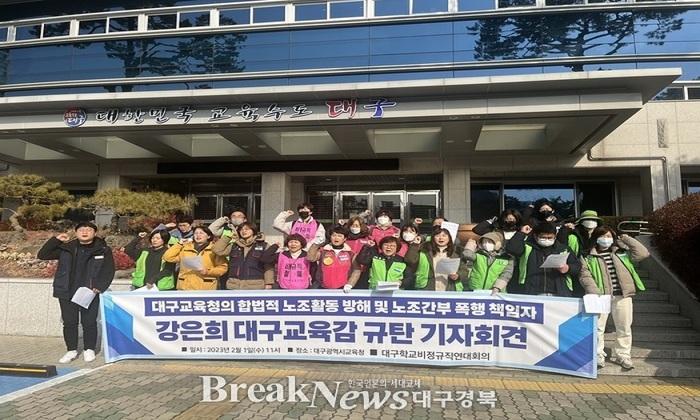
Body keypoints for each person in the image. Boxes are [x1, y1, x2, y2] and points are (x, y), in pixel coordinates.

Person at [37, 221, 115, 363]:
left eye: (88, 229)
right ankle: (71, 350)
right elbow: (43, 255)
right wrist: (56, 240)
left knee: (89, 322)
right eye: (81, 229)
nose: (84, 232)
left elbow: (109, 270)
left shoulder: (103, 249)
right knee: (69, 322)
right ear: (76, 232)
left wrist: (99, 286)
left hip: (89, 291)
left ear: (94, 233)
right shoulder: (66, 248)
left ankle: (89, 349)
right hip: (66, 290)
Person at [578, 227, 650, 370]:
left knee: (624, 326)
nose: (606, 239)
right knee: (598, 327)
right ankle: (598, 354)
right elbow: (584, 275)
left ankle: (623, 355)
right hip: (600, 296)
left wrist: (626, 238)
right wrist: (594, 291)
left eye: (609, 236)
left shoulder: (621, 252)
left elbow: (643, 253)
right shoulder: (587, 255)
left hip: (622, 295)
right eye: (603, 236)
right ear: (596, 238)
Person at [505, 222, 581, 297]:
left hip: (560, 292)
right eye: (543, 237)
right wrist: (521, 233)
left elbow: (577, 266)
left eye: (550, 238)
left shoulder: (563, 249)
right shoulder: (527, 247)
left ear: (555, 236)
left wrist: (568, 268)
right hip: (532, 292)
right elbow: (512, 249)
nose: (547, 240)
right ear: (535, 236)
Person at [212, 222, 277, 290]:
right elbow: (217, 250)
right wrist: (228, 236)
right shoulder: (234, 245)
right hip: (234, 285)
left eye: (247, 229)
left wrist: (269, 283)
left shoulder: (263, 246)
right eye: (241, 229)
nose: (244, 231)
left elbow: (268, 266)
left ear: (253, 231)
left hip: (255, 285)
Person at [163, 226, 228, 290]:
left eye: (201, 233)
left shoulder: (214, 250)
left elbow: (223, 268)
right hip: (185, 286)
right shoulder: (186, 248)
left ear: (208, 236)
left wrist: (208, 271)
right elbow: (168, 257)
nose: (198, 235)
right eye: (196, 233)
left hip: (205, 287)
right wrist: (179, 244)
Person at [351, 236, 415, 291]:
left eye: (392, 246)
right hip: (375, 291)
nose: (388, 247)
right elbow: (361, 260)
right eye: (386, 245)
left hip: (395, 293)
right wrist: (366, 247)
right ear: (381, 247)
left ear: (397, 248)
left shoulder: (402, 261)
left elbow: (409, 277)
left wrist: (402, 283)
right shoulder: (375, 257)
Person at [307, 226, 360, 290]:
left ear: (345, 239)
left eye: (339, 236)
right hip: (322, 287)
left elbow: (357, 270)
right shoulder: (323, 251)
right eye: (334, 235)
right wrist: (315, 245)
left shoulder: (350, 253)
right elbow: (311, 258)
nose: (336, 238)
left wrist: (350, 284)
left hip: (342, 288)